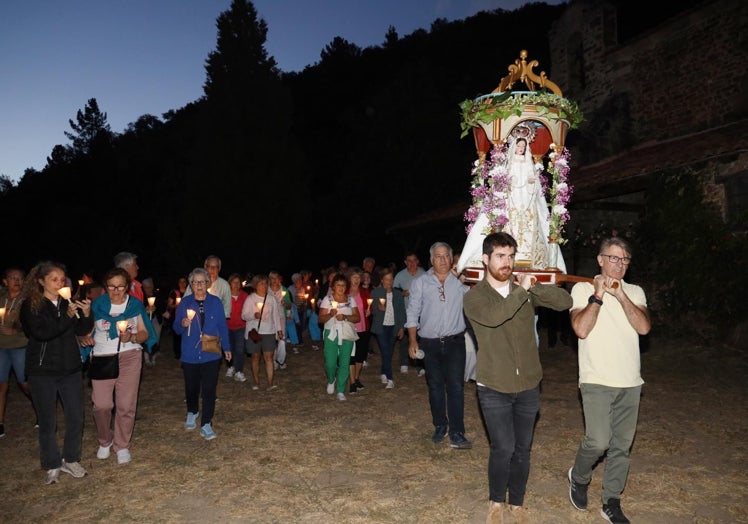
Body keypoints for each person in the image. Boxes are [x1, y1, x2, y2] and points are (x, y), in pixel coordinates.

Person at [463, 232, 572, 523]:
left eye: (510, 256)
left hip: (528, 384)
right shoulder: (474, 297)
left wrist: (536, 286)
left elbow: (564, 302)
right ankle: (496, 501)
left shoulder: (523, 288)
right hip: (494, 386)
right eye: (500, 256)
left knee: (523, 449)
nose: (507, 262)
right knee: (504, 448)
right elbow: (497, 316)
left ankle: (517, 503)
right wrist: (522, 292)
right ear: (485, 259)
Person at [567, 237, 650, 524]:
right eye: (614, 258)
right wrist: (599, 296)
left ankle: (611, 502)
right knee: (598, 440)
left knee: (621, 447)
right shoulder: (581, 289)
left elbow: (643, 327)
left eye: (625, 259)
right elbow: (580, 329)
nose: (620, 264)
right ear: (600, 260)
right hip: (597, 378)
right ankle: (578, 476)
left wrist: (621, 295)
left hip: (630, 381)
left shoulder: (635, 291)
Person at [19, 261, 93, 484]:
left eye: (62, 279)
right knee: (47, 420)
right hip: (42, 371)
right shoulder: (31, 306)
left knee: (75, 416)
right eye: (54, 279)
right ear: (41, 281)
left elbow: (80, 330)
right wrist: (67, 316)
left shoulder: (66, 303)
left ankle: (71, 459)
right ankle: (52, 463)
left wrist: (86, 314)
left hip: (69, 368)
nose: (59, 283)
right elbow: (42, 333)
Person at [457, 132, 567, 274]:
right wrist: (512, 183)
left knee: (530, 226)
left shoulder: (528, 163)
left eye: (523, 146)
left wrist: (531, 183)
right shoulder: (510, 163)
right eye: (519, 146)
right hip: (512, 199)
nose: (521, 149)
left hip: (526, 200)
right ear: (514, 146)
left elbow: (533, 183)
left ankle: (527, 255)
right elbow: (506, 180)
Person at [405, 242, 471, 449]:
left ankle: (457, 432)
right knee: (434, 387)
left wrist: (464, 280)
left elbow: (477, 300)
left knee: (456, 388)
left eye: (446, 256)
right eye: (438, 256)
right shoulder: (421, 283)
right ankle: (440, 425)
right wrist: (413, 340)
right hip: (429, 343)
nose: (442, 260)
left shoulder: (461, 282)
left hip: (455, 342)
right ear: (431, 260)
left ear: (451, 259)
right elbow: (412, 312)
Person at [89, 267, 158, 465]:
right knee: (101, 405)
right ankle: (105, 440)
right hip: (102, 356)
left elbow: (145, 332)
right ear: (105, 287)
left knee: (126, 405)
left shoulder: (134, 305)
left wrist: (133, 336)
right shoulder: (97, 306)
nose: (116, 291)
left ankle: (122, 445)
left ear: (127, 287)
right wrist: (85, 335)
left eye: (120, 286)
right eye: (111, 286)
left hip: (129, 355)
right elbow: (87, 331)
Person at [172, 268, 232, 440]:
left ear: (208, 283)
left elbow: (222, 327)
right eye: (195, 282)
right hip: (190, 353)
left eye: (202, 282)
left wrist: (227, 347)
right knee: (191, 387)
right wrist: (183, 323)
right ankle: (192, 411)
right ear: (190, 285)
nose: (199, 285)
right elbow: (176, 328)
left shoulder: (215, 302)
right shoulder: (185, 303)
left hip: (211, 353)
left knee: (209, 389)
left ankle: (206, 422)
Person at [0, 268, 36, 437]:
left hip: (20, 346)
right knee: (1, 385)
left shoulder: (27, 300)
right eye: (12, 278)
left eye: (20, 278)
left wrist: (17, 328)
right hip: (1, 347)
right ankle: (0, 423)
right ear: (5, 281)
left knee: (24, 383)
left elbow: (32, 323)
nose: (17, 281)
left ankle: (40, 411)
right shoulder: (1, 298)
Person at [318, 273, 360, 401]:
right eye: (338, 285)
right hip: (331, 333)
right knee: (330, 362)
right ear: (333, 286)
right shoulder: (327, 300)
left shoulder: (350, 299)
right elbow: (320, 319)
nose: (341, 288)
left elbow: (357, 317)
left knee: (345, 361)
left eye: (343, 285)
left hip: (346, 333)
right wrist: (330, 314)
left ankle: (341, 390)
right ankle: (331, 379)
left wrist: (346, 317)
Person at [241, 274, 284, 391]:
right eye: (261, 284)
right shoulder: (251, 299)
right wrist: (253, 315)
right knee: (255, 357)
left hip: (268, 331)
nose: (264, 286)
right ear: (256, 285)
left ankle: (270, 383)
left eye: (265, 283)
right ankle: (256, 382)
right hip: (254, 332)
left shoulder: (271, 299)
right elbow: (244, 316)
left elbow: (276, 316)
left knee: (269, 357)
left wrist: (279, 330)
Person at [369, 267, 405, 390]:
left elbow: (401, 312)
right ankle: (390, 378)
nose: (389, 282)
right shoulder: (376, 293)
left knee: (388, 351)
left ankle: (383, 372)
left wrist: (401, 327)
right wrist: (377, 308)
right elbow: (371, 309)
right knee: (386, 351)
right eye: (386, 279)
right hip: (381, 327)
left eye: (391, 279)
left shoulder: (398, 294)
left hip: (393, 327)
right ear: (382, 280)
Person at [394, 251, 426, 374]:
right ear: (405, 262)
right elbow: (394, 292)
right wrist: (402, 293)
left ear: (418, 261)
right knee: (404, 337)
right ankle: (404, 362)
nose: (412, 263)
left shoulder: (424, 274)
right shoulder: (400, 275)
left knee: (420, 337)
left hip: (422, 312)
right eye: (409, 261)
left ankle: (420, 365)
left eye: (414, 260)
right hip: (405, 311)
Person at [346, 267, 372, 393]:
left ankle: (356, 378)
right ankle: (351, 382)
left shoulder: (365, 292)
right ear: (349, 278)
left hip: (363, 327)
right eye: (354, 277)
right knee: (351, 354)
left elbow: (370, 307)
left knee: (360, 355)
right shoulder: (345, 292)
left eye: (358, 277)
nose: (356, 280)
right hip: (349, 327)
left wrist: (369, 311)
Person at [225, 273, 249, 381]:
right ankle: (230, 367)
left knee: (239, 350)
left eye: (238, 282)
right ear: (229, 283)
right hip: (227, 326)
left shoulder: (244, 296)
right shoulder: (225, 295)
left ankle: (239, 371)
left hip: (241, 326)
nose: (236, 284)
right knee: (228, 348)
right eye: (234, 282)